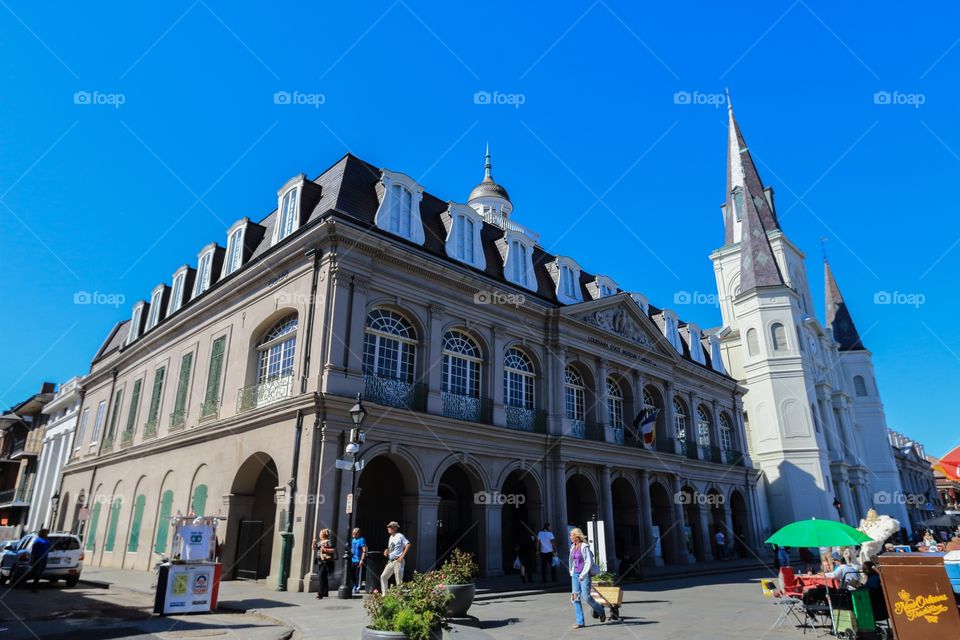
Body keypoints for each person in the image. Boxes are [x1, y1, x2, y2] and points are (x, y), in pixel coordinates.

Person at [568, 527, 605, 629]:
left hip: (584, 575)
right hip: (575, 574)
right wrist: (571, 571)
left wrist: (582, 575)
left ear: (576, 536)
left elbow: (588, 562)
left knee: (587, 597)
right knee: (575, 598)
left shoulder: (584, 546)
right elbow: (572, 560)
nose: (570, 537)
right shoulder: (572, 546)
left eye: (571, 535)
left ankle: (601, 611)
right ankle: (580, 622)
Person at [380, 521, 410, 593]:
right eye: (388, 527)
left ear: (395, 528)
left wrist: (402, 556)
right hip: (391, 561)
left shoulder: (400, 536)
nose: (388, 528)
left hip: (398, 561)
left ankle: (399, 598)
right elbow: (392, 548)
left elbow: (408, 544)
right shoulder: (391, 537)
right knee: (383, 577)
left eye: (390, 527)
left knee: (398, 581)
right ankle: (384, 596)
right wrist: (386, 550)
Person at [314, 528, 336, 599]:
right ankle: (325, 592)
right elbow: (314, 548)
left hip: (325, 561)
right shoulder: (320, 542)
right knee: (324, 577)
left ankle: (320, 594)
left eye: (320, 534)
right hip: (320, 561)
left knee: (320, 576)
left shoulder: (328, 541)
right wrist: (313, 543)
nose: (319, 535)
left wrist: (325, 549)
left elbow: (333, 550)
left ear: (323, 535)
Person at [351, 528, 367, 594]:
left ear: (358, 533)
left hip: (358, 560)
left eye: (354, 533)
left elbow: (364, 550)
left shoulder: (361, 540)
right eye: (352, 533)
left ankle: (357, 587)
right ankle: (353, 586)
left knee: (358, 575)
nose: (353, 534)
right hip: (353, 559)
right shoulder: (353, 540)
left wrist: (362, 560)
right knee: (352, 574)